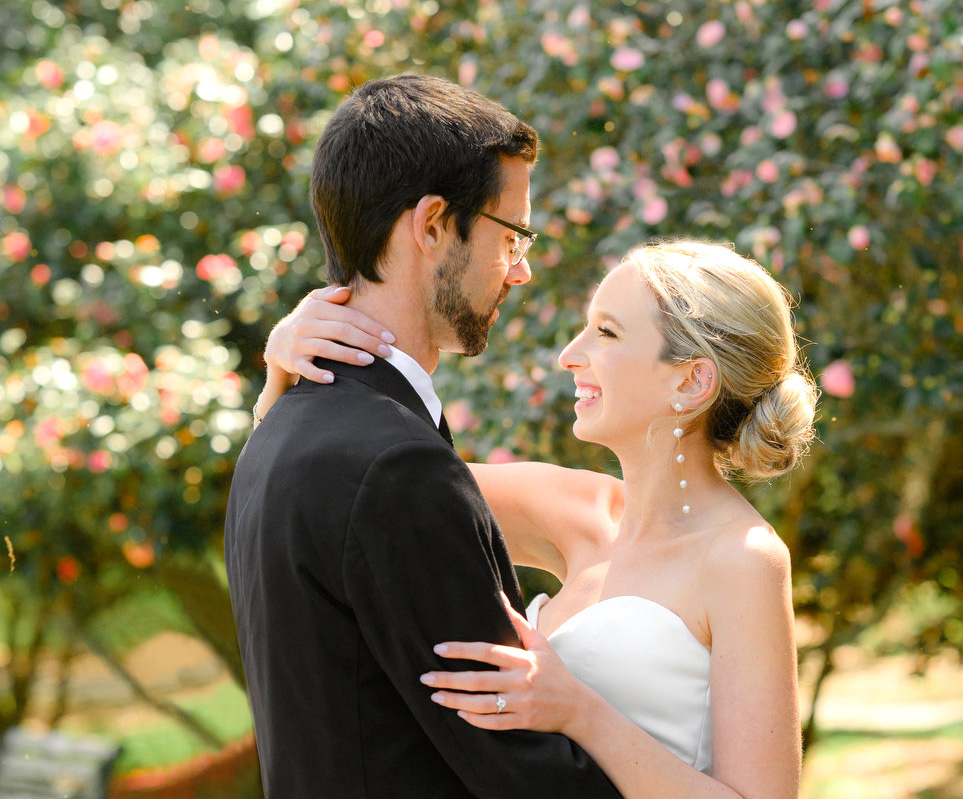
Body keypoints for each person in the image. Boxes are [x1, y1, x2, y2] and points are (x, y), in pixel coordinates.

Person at [260, 239, 818, 799]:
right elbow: (351, 489)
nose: (570, 354)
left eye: (607, 332)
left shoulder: (743, 557)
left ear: (691, 381)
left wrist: (580, 713)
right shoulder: (570, 507)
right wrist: (285, 364)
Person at [224, 74, 622, 798]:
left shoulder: (277, 430)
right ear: (433, 224)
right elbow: (520, 770)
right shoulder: (395, 464)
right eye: (513, 235)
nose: (522, 271)